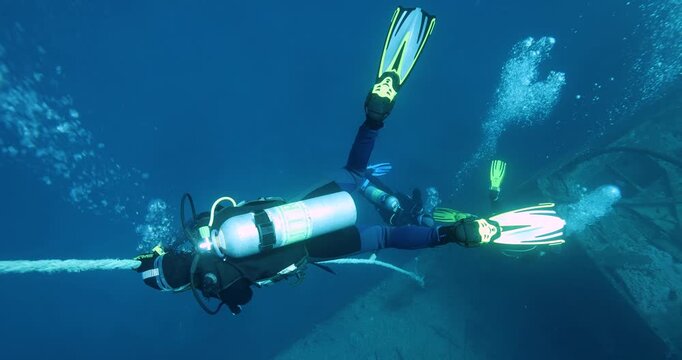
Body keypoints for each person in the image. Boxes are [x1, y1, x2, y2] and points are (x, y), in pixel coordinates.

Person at [134, 7, 565, 315]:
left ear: (182, 285)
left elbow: (243, 297)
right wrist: (161, 252)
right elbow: (228, 209)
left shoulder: (215, 283)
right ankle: (374, 118)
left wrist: (219, 290)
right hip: (301, 209)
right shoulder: (201, 230)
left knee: (384, 236)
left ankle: (452, 234)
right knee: (356, 174)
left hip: (310, 243)